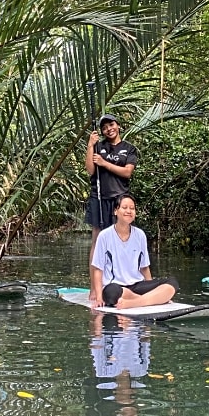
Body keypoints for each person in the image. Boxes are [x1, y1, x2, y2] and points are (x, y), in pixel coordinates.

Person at [90, 193, 179, 309]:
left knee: (172, 283)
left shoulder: (140, 235)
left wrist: (152, 287)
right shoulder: (104, 236)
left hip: (137, 286)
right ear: (115, 211)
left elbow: (144, 268)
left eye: (132, 208)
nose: (129, 211)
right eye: (124, 207)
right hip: (117, 288)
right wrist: (98, 297)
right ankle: (152, 299)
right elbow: (98, 269)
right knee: (110, 293)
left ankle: (133, 303)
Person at [85, 113, 138, 299]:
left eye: (111, 125)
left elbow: (127, 172)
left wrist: (105, 163)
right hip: (99, 198)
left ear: (118, 126)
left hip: (120, 200)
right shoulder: (99, 147)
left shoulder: (129, 149)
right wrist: (91, 145)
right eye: (105, 127)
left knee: (122, 241)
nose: (109, 129)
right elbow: (91, 171)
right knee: (97, 241)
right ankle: (94, 288)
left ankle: (125, 283)